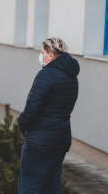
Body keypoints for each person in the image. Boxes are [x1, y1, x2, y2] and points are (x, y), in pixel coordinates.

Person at [18, 37, 80, 194]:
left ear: (51, 55)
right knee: (52, 185)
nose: (41, 56)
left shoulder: (46, 75)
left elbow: (32, 107)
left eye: (42, 53)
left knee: (29, 184)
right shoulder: (72, 77)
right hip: (61, 139)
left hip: (40, 142)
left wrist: (22, 123)